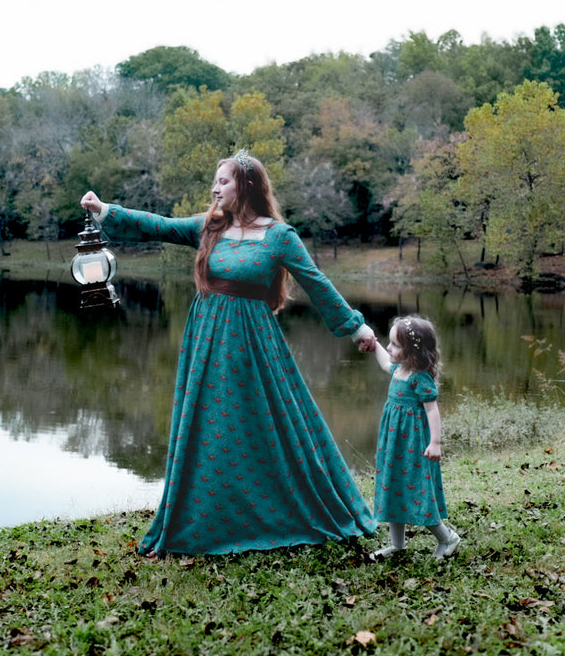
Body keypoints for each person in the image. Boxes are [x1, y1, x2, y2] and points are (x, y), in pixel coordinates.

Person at [80, 151, 378, 556]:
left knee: (262, 424)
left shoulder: (279, 236)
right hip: (206, 339)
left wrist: (357, 327)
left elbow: (316, 282)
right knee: (212, 423)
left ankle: (276, 509)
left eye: (223, 181)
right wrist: (104, 210)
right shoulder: (210, 227)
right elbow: (159, 225)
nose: (215, 189)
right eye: (215, 181)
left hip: (255, 345)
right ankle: (210, 518)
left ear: (247, 185)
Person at [364, 314, 461, 560]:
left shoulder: (419, 378)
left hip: (413, 444)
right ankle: (397, 545)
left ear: (413, 352)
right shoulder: (399, 370)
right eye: (389, 342)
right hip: (393, 442)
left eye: (395, 345)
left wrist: (435, 443)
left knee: (418, 489)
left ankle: (447, 537)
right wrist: (374, 345)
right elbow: (384, 362)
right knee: (392, 486)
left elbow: (432, 411)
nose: (389, 348)